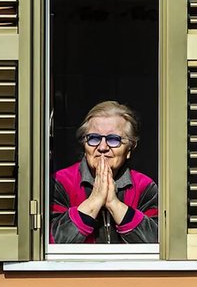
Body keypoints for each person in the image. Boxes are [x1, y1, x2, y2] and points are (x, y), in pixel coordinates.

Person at [50, 101, 159, 244]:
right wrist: (94, 201)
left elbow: (157, 242)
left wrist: (114, 203)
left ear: (130, 149)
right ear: (84, 145)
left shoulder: (144, 186)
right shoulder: (60, 182)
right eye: (94, 138)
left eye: (114, 140)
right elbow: (52, 242)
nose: (102, 147)